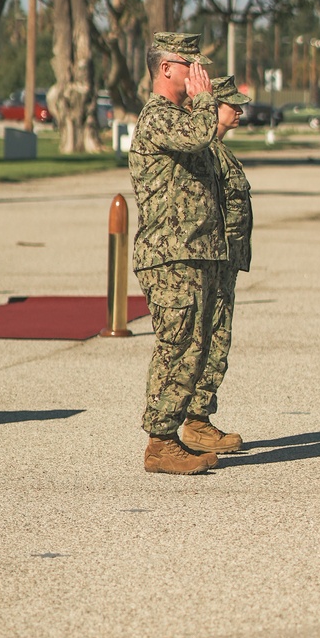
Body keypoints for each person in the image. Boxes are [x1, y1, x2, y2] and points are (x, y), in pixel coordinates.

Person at [128, 31, 232, 475]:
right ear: (165, 68)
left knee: (194, 344)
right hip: (169, 255)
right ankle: (161, 440)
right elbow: (198, 135)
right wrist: (207, 101)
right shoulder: (158, 117)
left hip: (193, 252)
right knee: (177, 344)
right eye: (189, 65)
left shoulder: (177, 115)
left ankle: (171, 434)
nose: (198, 74)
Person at [188, 76, 253, 441]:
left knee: (218, 337)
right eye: (232, 104)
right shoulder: (205, 150)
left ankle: (201, 416)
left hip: (226, 258)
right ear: (212, 108)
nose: (239, 110)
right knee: (207, 337)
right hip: (213, 258)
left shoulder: (219, 149)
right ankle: (195, 421)